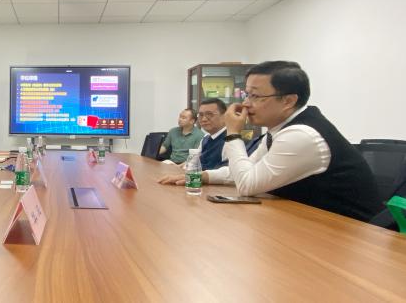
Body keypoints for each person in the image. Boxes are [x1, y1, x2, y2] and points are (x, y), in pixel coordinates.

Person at [159, 61, 380, 222]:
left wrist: (233, 133)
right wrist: (201, 176)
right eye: (246, 95)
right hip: (309, 222)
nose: (246, 104)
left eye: (255, 96)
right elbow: (244, 171)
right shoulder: (278, 131)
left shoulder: (302, 135)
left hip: (350, 235)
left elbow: (247, 185)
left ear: (288, 100)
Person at [195, 98, 229, 170]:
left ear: (225, 116)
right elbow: (194, 161)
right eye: (201, 115)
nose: (204, 119)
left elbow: (228, 171)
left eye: (209, 114)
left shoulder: (230, 140)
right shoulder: (206, 138)